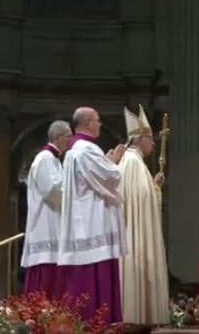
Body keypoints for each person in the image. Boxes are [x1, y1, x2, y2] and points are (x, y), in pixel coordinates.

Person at [58, 106, 127, 323]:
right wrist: (116, 162)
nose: (100, 124)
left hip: (84, 222)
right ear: (87, 123)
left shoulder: (75, 150)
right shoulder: (86, 149)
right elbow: (110, 177)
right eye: (97, 120)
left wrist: (106, 161)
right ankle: (99, 323)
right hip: (92, 223)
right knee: (95, 277)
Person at [117, 104, 170, 325]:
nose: (154, 142)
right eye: (150, 138)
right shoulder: (133, 162)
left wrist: (154, 185)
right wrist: (154, 190)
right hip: (134, 235)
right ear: (139, 139)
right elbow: (141, 200)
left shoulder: (132, 161)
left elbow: (141, 194)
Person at [21, 120, 72, 299]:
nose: (70, 141)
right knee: (45, 282)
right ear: (58, 137)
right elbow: (52, 189)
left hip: (54, 223)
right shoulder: (45, 159)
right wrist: (77, 192)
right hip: (45, 226)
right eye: (68, 137)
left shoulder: (54, 160)